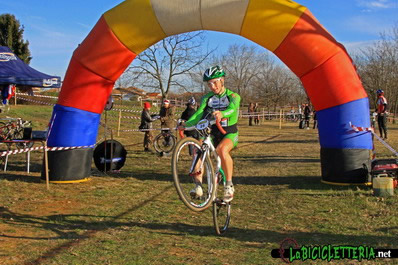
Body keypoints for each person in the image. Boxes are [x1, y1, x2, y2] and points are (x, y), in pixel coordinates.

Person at [180, 66, 240, 202]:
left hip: (228, 132)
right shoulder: (207, 98)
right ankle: (198, 186)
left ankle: (229, 185)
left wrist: (222, 113)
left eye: (215, 82)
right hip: (211, 132)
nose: (212, 86)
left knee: (222, 150)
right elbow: (199, 114)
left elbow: (233, 109)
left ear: (222, 80)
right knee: (197, 150)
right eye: (209, 84)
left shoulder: (233, 96)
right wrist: (186, 124)